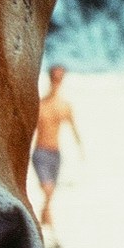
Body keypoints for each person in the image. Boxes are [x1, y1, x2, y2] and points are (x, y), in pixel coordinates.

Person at [31, 64, 82, 229]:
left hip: (56, 154)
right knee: (48, 191)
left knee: (50, 192)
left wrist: (80, 149)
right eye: (54, 77)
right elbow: (29, 131)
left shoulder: (65, 106)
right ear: (49, 78)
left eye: (60, 78)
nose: (57, 81)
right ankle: (43, 224)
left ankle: (46, 226)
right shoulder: (40, 105)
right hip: (40, 153)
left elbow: (74, 128)